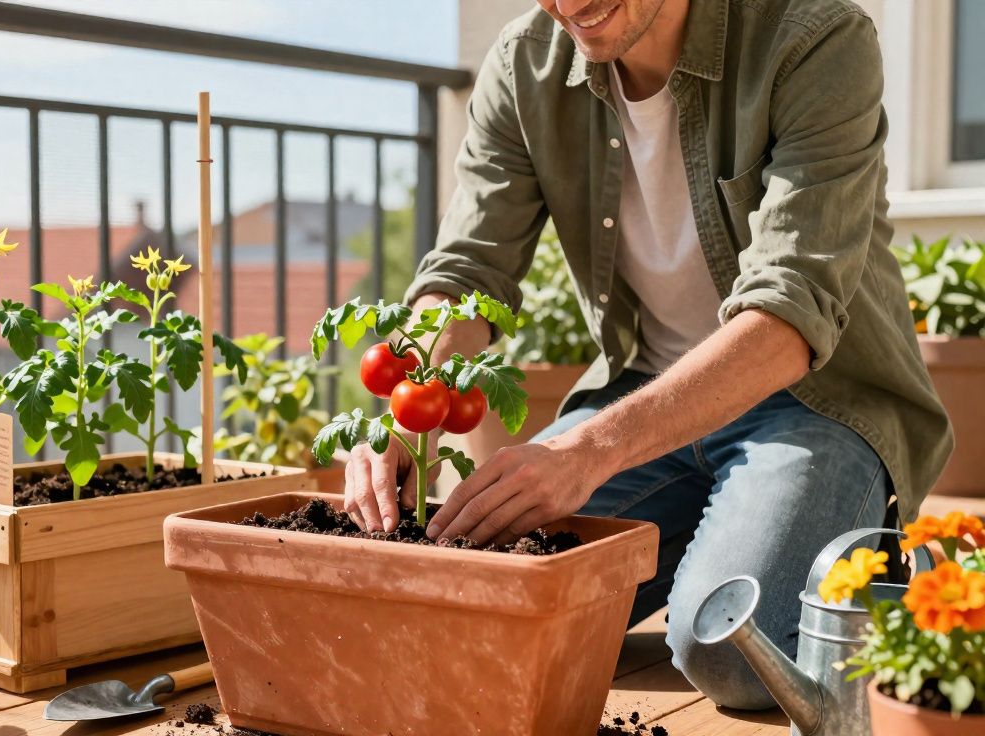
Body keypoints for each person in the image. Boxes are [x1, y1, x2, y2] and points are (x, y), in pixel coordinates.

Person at [343, 0, 952, 709]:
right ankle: (725, 527)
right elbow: (469, 273)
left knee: (729, 655)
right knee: (478, 593)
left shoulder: (815, 38)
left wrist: (588, 451)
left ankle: (883, 583)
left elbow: (790, 310)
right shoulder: (525, 65)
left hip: (816, 406)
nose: (569, 5)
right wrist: (406, 412)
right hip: (640, 398)